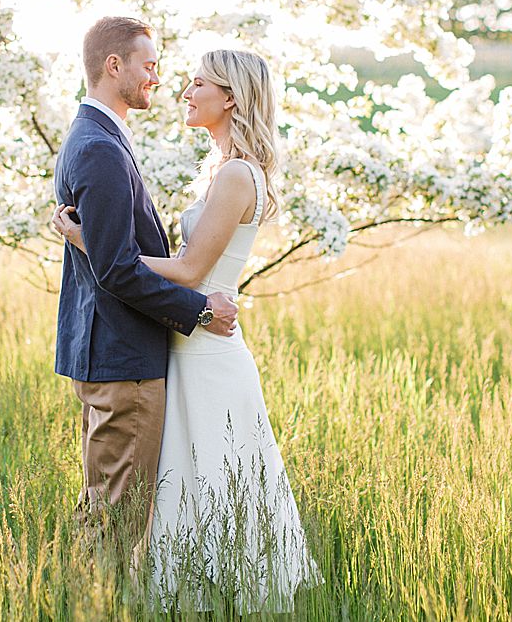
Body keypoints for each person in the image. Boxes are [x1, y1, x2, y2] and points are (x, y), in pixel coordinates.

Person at [53, 47, 322, 613]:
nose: (184, 90)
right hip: (185, 341)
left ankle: (233, 591)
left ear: (230, 97)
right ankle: (190, 590)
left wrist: (94, 245)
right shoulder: (219, 171)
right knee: (185, 476)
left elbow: (192, 270)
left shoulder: (236, 176)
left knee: (220, 474)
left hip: (208, 350)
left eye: (198, 83)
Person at [52, 16, 240, 558]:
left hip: (110, 354)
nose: (159, 78)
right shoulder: (99, 149)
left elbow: (109, 256)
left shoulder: (99, 138)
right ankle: (99, 604)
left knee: (107, 510)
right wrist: (201, 311)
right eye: (150, 65)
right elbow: (116, 269)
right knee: (118, 520)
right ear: (115, 66)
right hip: (123, 359)